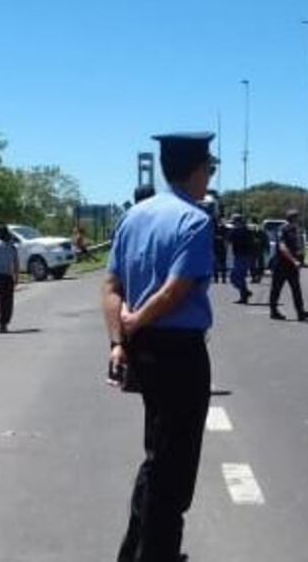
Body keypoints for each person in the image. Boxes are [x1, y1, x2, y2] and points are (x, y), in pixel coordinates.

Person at [104, 132, 216, 562]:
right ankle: (158, 554)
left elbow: (111, 286)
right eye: (210, 168)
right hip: (180, 354)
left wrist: (120, 340)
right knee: (175, 471)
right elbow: (176, 291)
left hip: (144, 350)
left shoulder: (135, 216)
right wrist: (136, 320)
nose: (210, 176)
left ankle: (135, 550)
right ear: (197, 170)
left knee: (157, 456)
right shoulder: (195, 220)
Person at [269, 210, 308, 321]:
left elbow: (297, 246)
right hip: (281, 264)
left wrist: (299, 257)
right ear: (294, 218)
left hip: (292, 266)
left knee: (296, 289)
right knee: (276, 288)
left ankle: (300, 312)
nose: (300, 220)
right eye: (298, 218)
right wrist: (294, 260)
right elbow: (282, 247)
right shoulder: (283, 229)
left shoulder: (296, 230)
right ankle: (274, 311)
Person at [228, 214, 254, 304]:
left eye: (235, 223)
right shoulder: (237, 231)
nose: (234, 225)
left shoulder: (245, 231)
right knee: (237, 277)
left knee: (237, 276)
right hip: (240, 256)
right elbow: (228, 240)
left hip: (243, 256)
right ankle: (244, 293)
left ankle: (244, 294)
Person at [212, 217, 228, 284]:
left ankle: (218, 279)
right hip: (219, 248)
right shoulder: (223, 228)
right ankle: (221, 278)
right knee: (220, 264)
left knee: (218, 263)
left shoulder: (214, 229)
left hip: (218, 248)